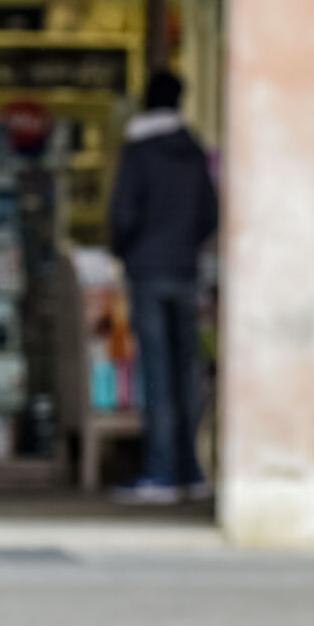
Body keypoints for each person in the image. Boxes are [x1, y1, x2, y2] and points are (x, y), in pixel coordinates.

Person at [106, 70, 218, 505]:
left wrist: (126, 251)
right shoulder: (193, 152)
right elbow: (211, 212)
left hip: (148, 272)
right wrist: (186, 246)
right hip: (185, 271)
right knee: (186, 372)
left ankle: (161, 472)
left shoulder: (139, 152)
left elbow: (123, 215)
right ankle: (190, 470)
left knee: (156, 373)